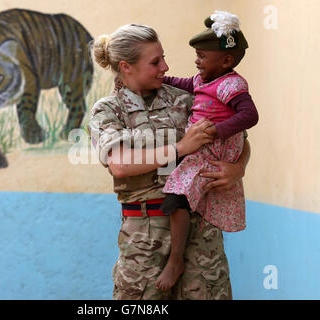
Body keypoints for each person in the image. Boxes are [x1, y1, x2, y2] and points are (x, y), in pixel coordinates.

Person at [88, 23, 251, 300]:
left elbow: (240, 139)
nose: (165, 66)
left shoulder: (189, 98)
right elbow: (120, 164)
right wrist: (180, 147)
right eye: (155, 61)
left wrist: (239, 168)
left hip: (200, 232)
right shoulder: (108, 110)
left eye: (163, 57)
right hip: (143, 240)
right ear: (126, 67)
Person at [155, 11, 259, 291]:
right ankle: (177, 256)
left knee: (177, 196)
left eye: (202, 55)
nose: (196, 61)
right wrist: (161, 80)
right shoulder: (203, 81)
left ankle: (175, 259)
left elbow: (250, 116)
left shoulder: (231, 85)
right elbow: (183, 83)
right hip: (201, 148)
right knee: (182, 198)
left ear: (226, 60)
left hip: (213, 149)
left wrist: (217, 131)